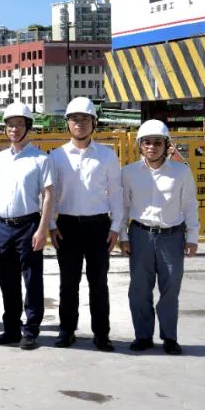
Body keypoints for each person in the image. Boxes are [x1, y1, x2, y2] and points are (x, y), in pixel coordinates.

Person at [48, 97, 122, 352]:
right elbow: (50, 194)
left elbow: (116, 193)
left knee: (98, 283)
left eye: (85, 119)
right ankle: (67, 330)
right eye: (74, 119)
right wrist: (51, 224)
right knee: (68, 283)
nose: (79, 123)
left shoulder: (107, 155)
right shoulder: (57, 156)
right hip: (67, 227)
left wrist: (116, 227)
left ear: (94, 123)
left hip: (98, 227)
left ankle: (101, 334)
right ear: (67, 123)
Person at [120, 119, 199, 355]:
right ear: (140, 145)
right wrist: (123, 236)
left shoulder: (181, 172)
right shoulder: (129, 173)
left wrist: (192, 237)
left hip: (171, 236)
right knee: (139, 288)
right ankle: (143, 335)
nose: (152, 147)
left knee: (171, 287)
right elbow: (123, 206)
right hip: (140, 235)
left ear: (166, 145)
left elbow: (190, 205)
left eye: (157, 142)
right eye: (147, 142)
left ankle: (169, 337)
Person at [0, 102, 54, 350]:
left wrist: (42, 229)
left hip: (29, 225)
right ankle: (11, 328)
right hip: (3, 226)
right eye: (10, 125)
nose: (14, 129)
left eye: (19, 124)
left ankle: (31, 330)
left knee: (32, 279)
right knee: (7, 280)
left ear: (28, 127)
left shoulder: (40, 159)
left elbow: (48, 195)